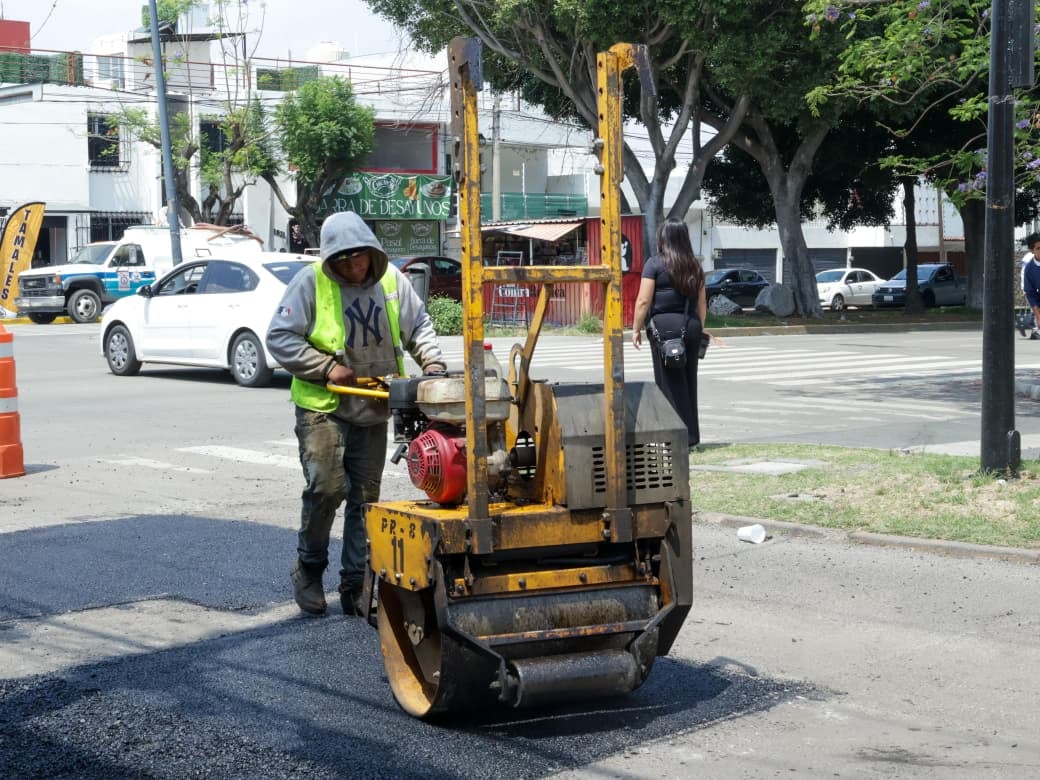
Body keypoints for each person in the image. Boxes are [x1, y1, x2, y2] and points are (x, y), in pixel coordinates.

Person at [266, 211, 446, 616]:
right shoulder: (311, 282)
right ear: (331, 259)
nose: (353, 265)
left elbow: (418, 326)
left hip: (372, 403)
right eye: (343, 260)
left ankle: (355, 584)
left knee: (365, 498)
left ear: (372, 252)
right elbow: (279, 337)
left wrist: (432, 364)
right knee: (327, 489)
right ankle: (309, 570)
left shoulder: (391, 281)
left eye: (359, 257)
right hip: (324, 404)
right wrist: (328, 367)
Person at [631, 218, 711, 449]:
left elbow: (644, 300)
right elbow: (702, 302)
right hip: (690, 326)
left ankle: (674, 437)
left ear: (663, 238)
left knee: (667, 382)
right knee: (688, 381)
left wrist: (636, 328)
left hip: (663, 330)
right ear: (685, 238)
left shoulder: (654, 264)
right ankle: (692, 437)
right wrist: (697, 328)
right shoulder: (695, 266)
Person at [1020, 232, 1040, 340]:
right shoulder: (1029, 268)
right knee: (1034, 306)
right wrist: (1038, 316)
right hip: (1035, 293)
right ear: (1032, 250)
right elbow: (1031, 293)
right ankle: (1035, 330)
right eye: (1038, 248)